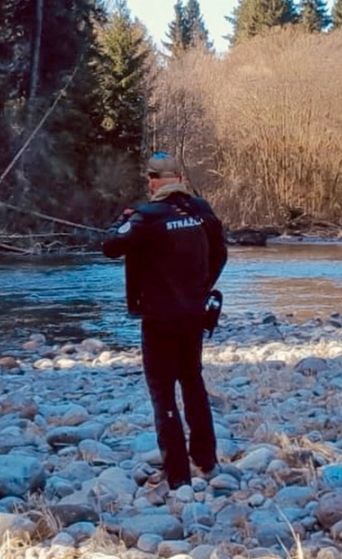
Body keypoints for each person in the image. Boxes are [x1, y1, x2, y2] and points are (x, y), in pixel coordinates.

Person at [102, 152, 228, 488]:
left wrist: (121, 221)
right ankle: (207, 461)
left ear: (154, 181)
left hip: (159, 318)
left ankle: (177, 477)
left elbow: (111, 246)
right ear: (180, 179)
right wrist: (201, 289)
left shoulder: (146, 216)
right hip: (194, 314)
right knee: (192, 382)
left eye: (150, 179)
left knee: (162, 393)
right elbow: (220, 254)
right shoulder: (201, 211)